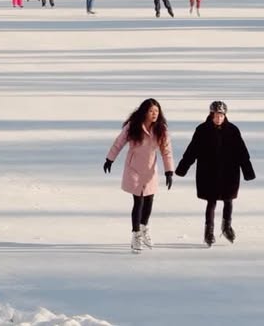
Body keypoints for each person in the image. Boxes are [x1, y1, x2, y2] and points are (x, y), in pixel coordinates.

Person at [175, 100, 255, 247]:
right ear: (211, 115)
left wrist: (247, 171)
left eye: (221, 115)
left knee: (228, 200)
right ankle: (209, 232)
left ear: (225, 115)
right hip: (208, 172)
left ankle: (226, 227)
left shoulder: (233, 130)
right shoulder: (202, 130)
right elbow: (192, 151)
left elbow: (242, 152)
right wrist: (182, 168)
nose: (218, 118)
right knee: (211, 202)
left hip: (229, 172)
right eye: (216, 115)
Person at [103, 98, 174, 253]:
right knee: (139, 201)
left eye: (157, 111)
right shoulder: (133, 126)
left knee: (149, 200)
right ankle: (135, 235)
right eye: (151, 111)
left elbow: (166, 151)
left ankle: (144, 229)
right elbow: (119, 142)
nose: (154, 114)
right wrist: (110, 159)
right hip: (134, 169)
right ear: (144, 112)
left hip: (150, 171)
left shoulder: (161, 129)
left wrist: (169, 170)